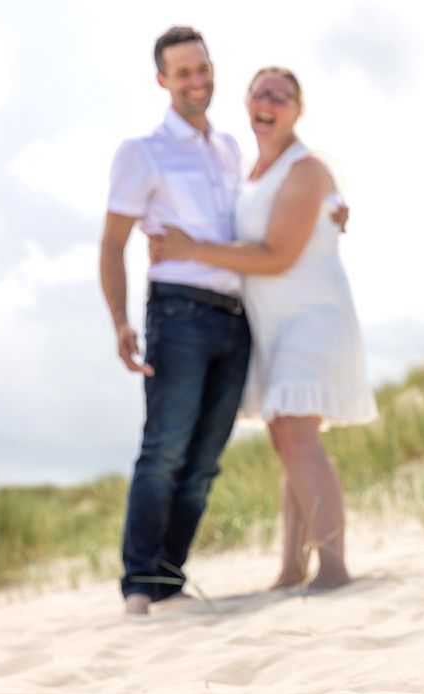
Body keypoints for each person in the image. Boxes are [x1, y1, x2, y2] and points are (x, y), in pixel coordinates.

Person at [150, 66, 377, 592]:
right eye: (260, 92)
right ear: (248, 104)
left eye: (282, 95)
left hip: (313, 316)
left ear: (298, 111)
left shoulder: (306, 168)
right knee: (286, 436)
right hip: (271, 325)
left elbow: (276, 255)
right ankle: (292, 568)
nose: (268, 101)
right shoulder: (250, 170)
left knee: (296, 432)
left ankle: (335, 568)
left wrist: (189, 249)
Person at [100, 26, 250, 616]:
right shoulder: (142, 152)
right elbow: (112, 244)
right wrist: (119, 321)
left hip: (237, 319)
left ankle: (168, 578)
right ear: (162, 80)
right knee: (163, 451)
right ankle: (139, 585)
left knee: (205, 460)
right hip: (177, 312)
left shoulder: (231, 149)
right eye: (183, 72)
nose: (197, 80)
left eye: (203, 68)